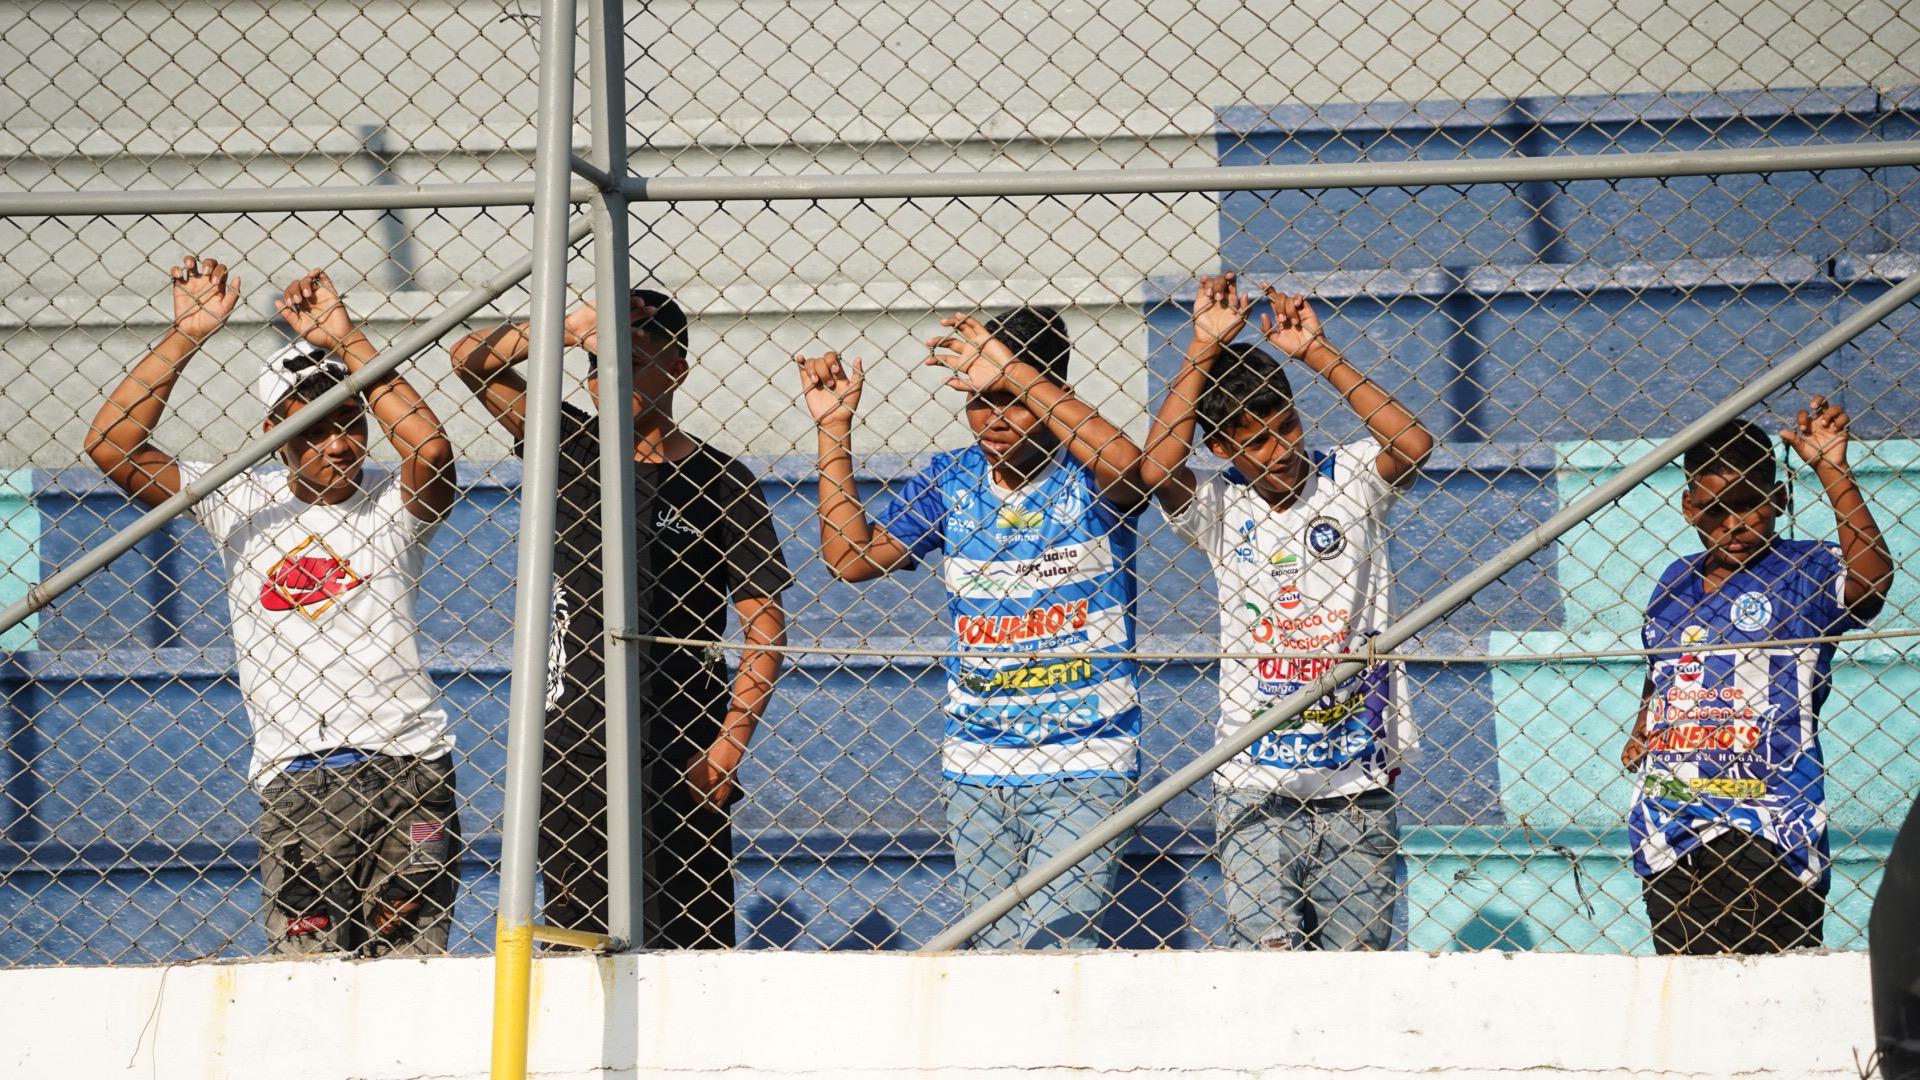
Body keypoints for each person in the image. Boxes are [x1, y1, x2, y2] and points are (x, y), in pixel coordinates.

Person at [84, 257, 462, 956]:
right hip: (299, 776)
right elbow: (113, 447)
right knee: (306, 970)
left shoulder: (391, 505)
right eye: (313, 428)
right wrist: (187, 334)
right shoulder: (239, 500)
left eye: (350, 421)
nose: (340, 443)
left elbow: (432, 448)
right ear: (273, 433)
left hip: (412, 770)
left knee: (413, 964)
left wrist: (348, 339)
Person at [794, 307, 1150, 949]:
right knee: (993, 955)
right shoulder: (950, 480)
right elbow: (850, 559)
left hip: (1086, 757)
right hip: (977, 761)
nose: (995, 421)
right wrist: (834, 432)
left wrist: (1017, 370)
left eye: (1013, 399)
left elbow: (1129, 467)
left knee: (1055, 954)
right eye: (981, 403)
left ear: (1049, 391)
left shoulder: (1086, 475)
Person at [449, 289, 791, 947]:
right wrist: (570, 326)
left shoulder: (723, 480)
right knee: (585, 936)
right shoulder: (568, 443)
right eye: (601, 365)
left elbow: (764, 623)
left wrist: (727, 747)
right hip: (579, 736)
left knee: (692, 941)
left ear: (678, 369)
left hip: (684, 737)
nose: (613, 379)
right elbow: (471, 361)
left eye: (634, 359)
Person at [1138, 273, 1432, 950]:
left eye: (1287, 426)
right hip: (1253, 782)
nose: (1281, 449)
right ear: (1222, 449)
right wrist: (1201, 349)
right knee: (1267, 963)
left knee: (1355, 964)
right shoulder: (1219, 508)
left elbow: (1413, 445)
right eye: (1257, 441)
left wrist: (1317, 354)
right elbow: (1156, 471)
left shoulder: (1350, 477)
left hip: (1355, 781)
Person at [1620, 405, 1891, 953]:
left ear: (1779, 500)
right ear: (1688, 508)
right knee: (1685, 974)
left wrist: (1830, 469)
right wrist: (1642, 724)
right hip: (1670, 820)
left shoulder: (1805, 569)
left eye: (1751, 507)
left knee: (1774, 977)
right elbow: (1664, 666)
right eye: (1715, 510)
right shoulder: (1674, 581)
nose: (1735, 525)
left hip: (1769, 818)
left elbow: (1871, 583)